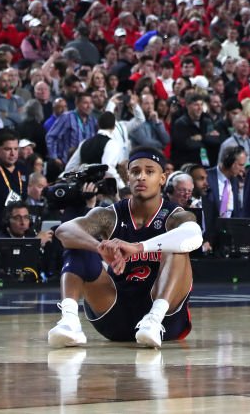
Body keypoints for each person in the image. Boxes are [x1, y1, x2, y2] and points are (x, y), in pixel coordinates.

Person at [48, 146, 200, 349]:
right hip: (114, 312)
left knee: (178, 247)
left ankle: (153, 320)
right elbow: (64, 231)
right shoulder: (109, 215)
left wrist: (139, 247)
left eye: (149, 171)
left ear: (162, 178)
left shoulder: (176, 216)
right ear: (128, 177)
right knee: (78, 243)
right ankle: (69, 322)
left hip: (165, 319)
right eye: (135, 172)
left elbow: (194, 235)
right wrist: (99, 246)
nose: (141, 177)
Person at [62, 112, 126, 189]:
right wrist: (123, 188)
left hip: (85, 190)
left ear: (98, 125)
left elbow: (69, 169)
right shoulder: (112, 144)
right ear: (114, 126)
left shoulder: (84, 143)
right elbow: (108, 169)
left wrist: (79, 179)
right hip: (103, 192)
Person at [202, 146, 247, 247]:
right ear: (229, 162)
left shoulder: (235, 181)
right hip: (207, 241)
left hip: (227, 241)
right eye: (240, 165)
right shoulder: (206, 177)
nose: (243, 169)